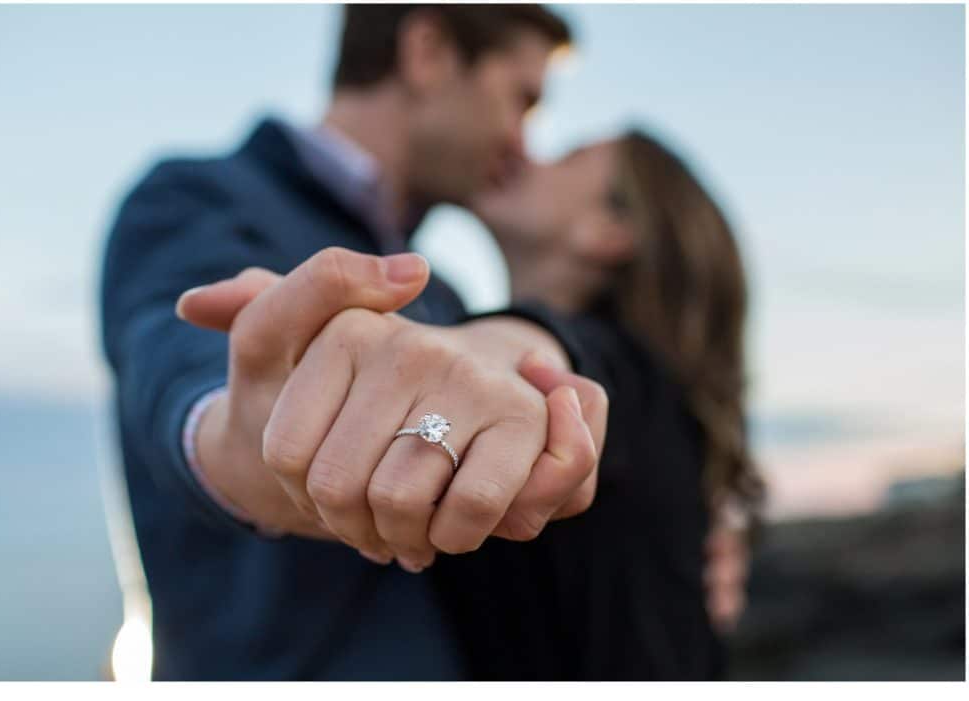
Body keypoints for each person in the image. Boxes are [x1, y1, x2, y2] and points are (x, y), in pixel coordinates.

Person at [100, 5, 609, 680]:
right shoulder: (198, 198)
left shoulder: (447, 297)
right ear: (426, 52)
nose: (523, 142)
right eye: (522, 98)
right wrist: (231, 434)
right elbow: (173, 360)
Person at [423, 129, 766, 679]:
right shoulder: (662, 404)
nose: (527, 154)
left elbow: (560, 355)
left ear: (609, 231)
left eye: (569, 157)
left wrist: (496, 353)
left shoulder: (632, 381)